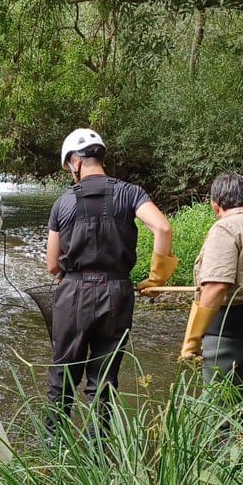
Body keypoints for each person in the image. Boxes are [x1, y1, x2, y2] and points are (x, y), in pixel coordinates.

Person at [45, 128, 176, 437]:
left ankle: (54, 448)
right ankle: (97, 453)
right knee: (103, 379)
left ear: (76, 161)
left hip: (73, 292)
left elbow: (52, 265)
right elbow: (163, 229)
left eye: (69, 168)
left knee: (62, 375)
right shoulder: (130, 193)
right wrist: (157, 277)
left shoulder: (63, 203)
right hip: (117, 293)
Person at [178, 173, 243, 434]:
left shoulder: (225, 228)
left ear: (216, 204)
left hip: (228, 329)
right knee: (242, 402)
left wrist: (192, 338)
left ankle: (222, 469)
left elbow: (216, 285)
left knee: (219, 411)